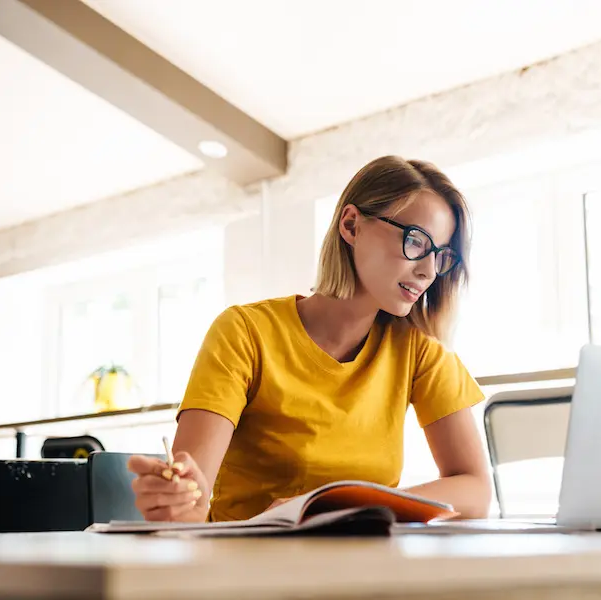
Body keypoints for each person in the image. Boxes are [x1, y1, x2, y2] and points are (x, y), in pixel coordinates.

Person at [128, 155, 491, 522]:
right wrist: (173, 499)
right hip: (247, 568)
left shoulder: (418, 349)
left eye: (441, 255)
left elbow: (475, 489)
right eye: (416, 241)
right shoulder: (245, 331)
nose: (428, 270)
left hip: (365, 571)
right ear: (351, 226)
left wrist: (347, 504)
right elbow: (190, 504)